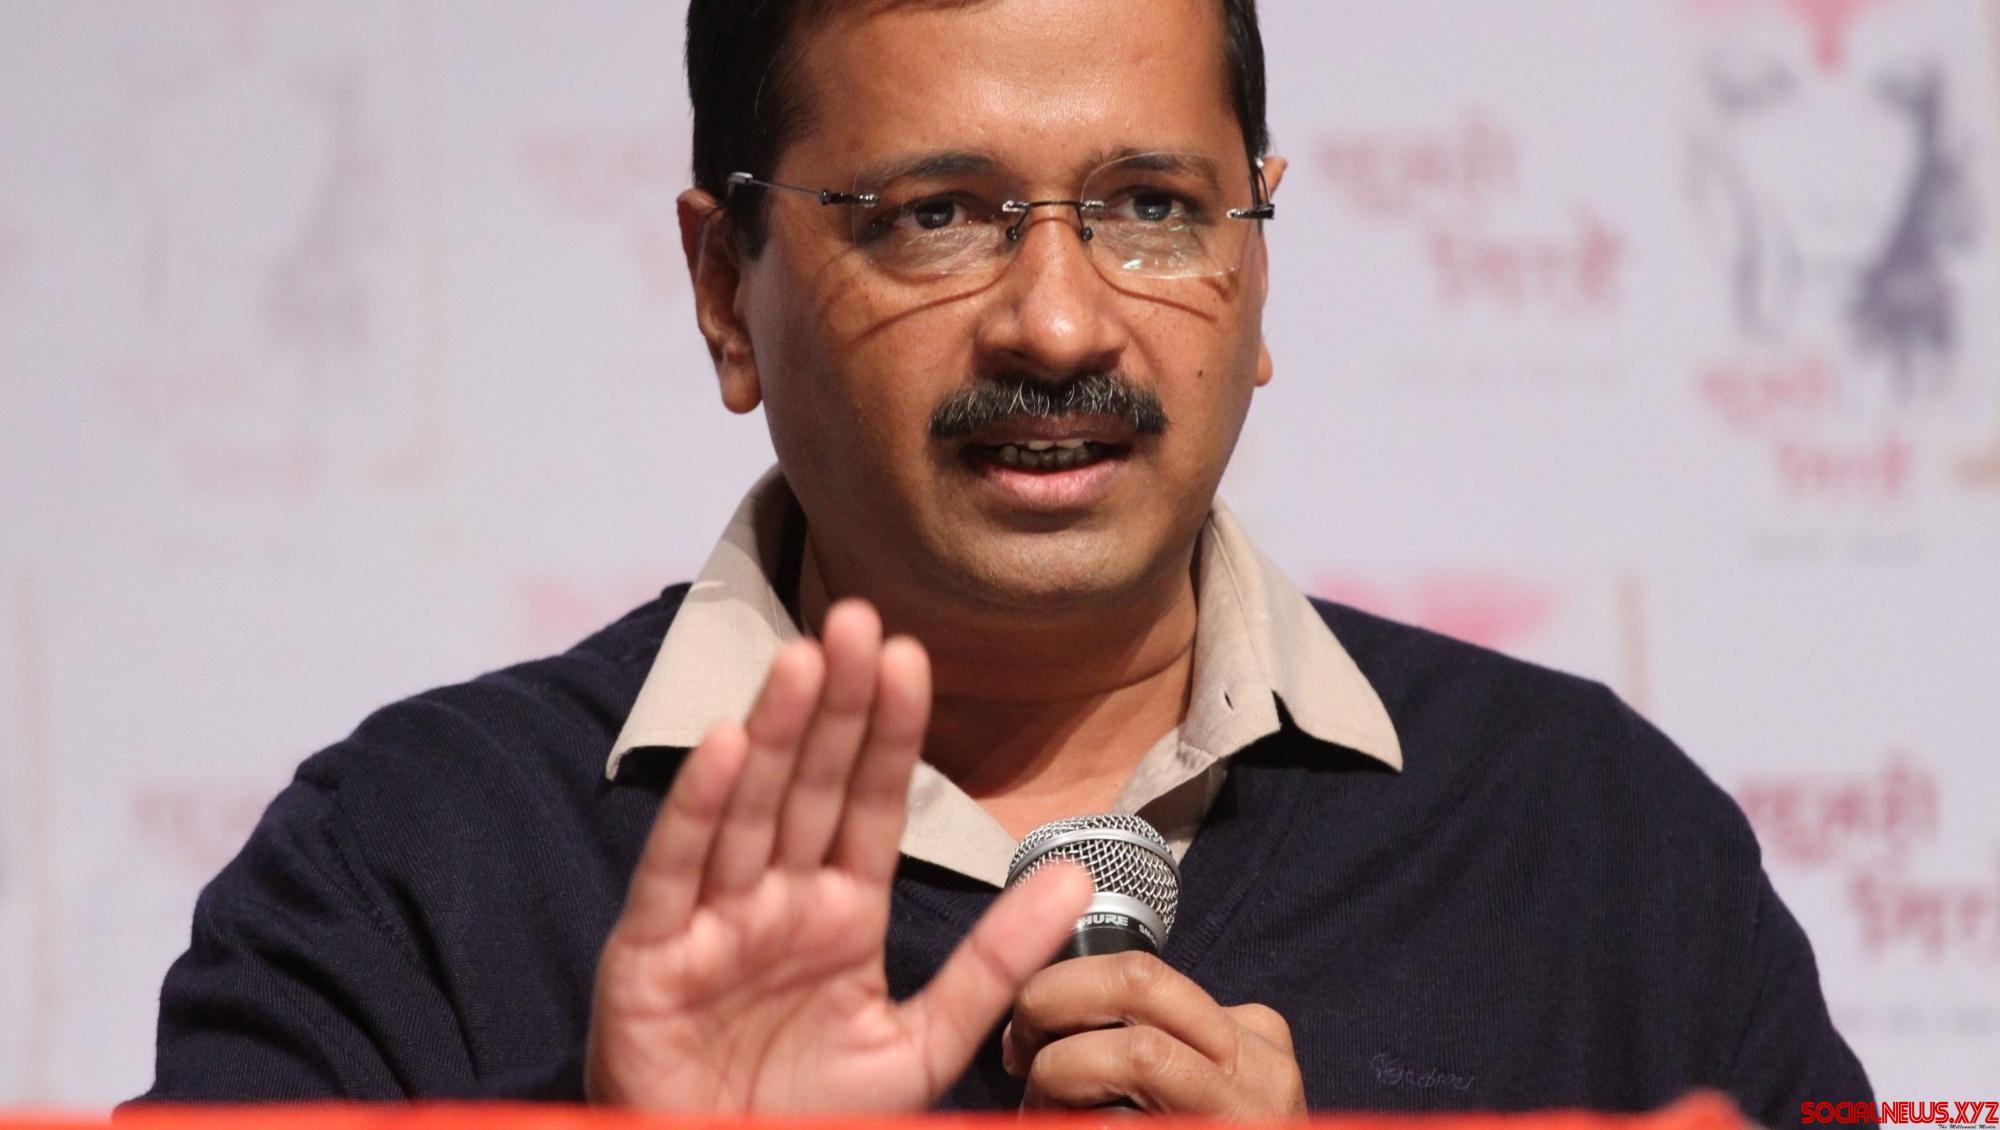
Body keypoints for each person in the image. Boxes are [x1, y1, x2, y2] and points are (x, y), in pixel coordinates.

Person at [140, 0, 1874, 1118]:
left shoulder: (1596, 840)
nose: (1057, 322)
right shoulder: (410, 865)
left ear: (1261, 264)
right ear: (722, 290)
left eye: (1152, 208)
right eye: (938, 215)